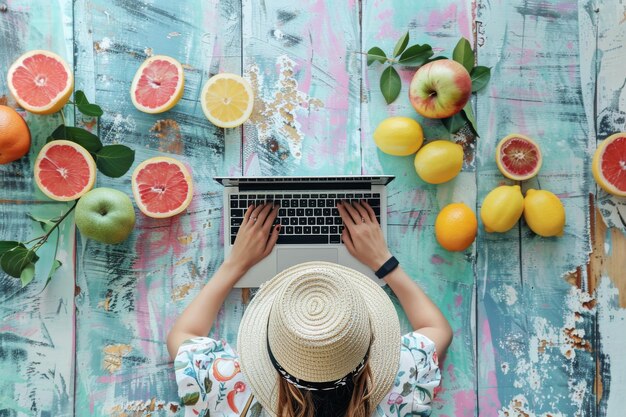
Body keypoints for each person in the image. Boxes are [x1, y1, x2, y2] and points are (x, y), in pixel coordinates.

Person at [167, 201, 453, 417]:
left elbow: (182, 335)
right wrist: (383, 262)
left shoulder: (231, 389)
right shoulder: (399, 384)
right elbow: (438, 329)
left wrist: (235, 264)